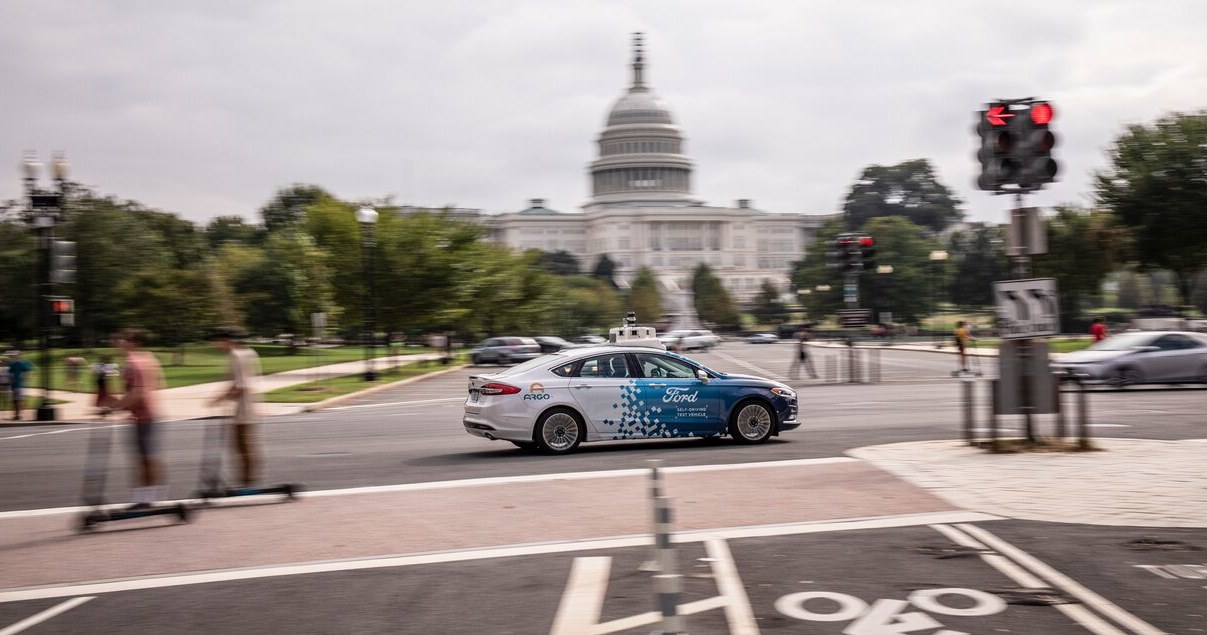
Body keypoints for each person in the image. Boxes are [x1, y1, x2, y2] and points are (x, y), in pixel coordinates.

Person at [104, 329, 166, 508]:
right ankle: (148, 495)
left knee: (143, 457)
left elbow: (137, 392)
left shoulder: (134, 362)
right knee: (147, 456)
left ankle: (145, 498)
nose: (116, 343)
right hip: (147, 413)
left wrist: (114, 408)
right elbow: (154, 384)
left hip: (143, 416)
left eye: (119, 340)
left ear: (131, 342)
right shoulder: (148, 358)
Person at [208, 328, 263, 488]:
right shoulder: (250, 352)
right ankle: (249, 478)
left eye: (218, 340)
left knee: (241, 443)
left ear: (227, 340)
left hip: (243, 405)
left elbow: (239, 385)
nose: (217, 344)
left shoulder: (235, 355)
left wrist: (220, 399)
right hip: (251, 402)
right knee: (246, 443)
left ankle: (248, 481)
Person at [7, 351, 34, 421]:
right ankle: (17, 414)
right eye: (18, 355)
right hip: (16, 385)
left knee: (18, 400)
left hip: (19, 385)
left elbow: (28, 371)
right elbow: (10, 374)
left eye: (19, 355)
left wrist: (26, 377)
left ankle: (18, 415)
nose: (18, 356)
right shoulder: (14, 364)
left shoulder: (21, 364)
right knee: (16, 400)